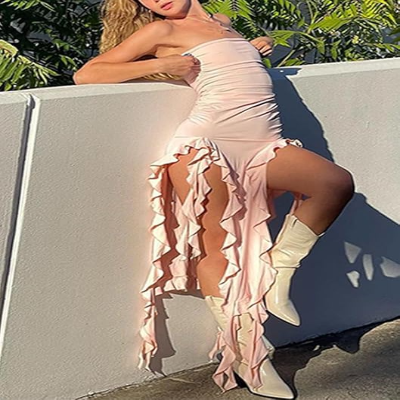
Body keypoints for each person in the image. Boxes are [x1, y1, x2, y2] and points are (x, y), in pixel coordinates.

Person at [73, 0, 355, 397]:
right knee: (217, 250)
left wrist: (251, 47)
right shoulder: (162, 31)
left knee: (335, 183)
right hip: (207, 144)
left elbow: (227, 67)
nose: (156, 0)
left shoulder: (223, 22)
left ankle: (278, 272)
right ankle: (250, 358)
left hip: (264, 143)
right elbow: (86, 74)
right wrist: (161, 65)